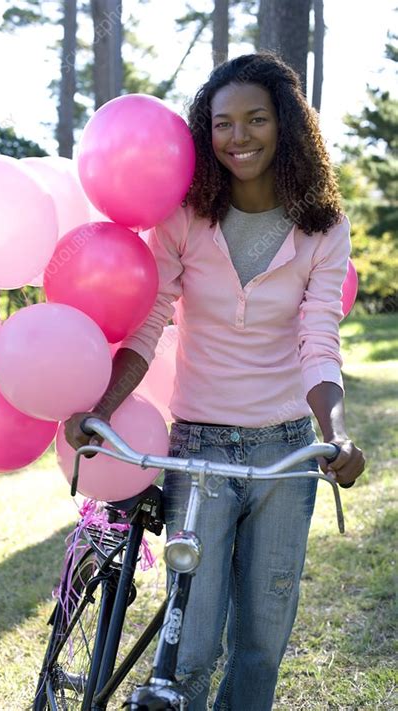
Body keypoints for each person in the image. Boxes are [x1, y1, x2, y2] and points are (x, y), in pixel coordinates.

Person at [65, 51, 365, 711]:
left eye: (255, 119)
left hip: (285, 454)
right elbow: (147, 327)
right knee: (190, 645)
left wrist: (335, 434)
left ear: (284, 125)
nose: (240, 137)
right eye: (223, 124)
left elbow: (319, 337)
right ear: (207, 133)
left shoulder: (322, 222)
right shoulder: (184, 216)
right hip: (198, 448)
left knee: (261, 641)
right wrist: (102, 407)